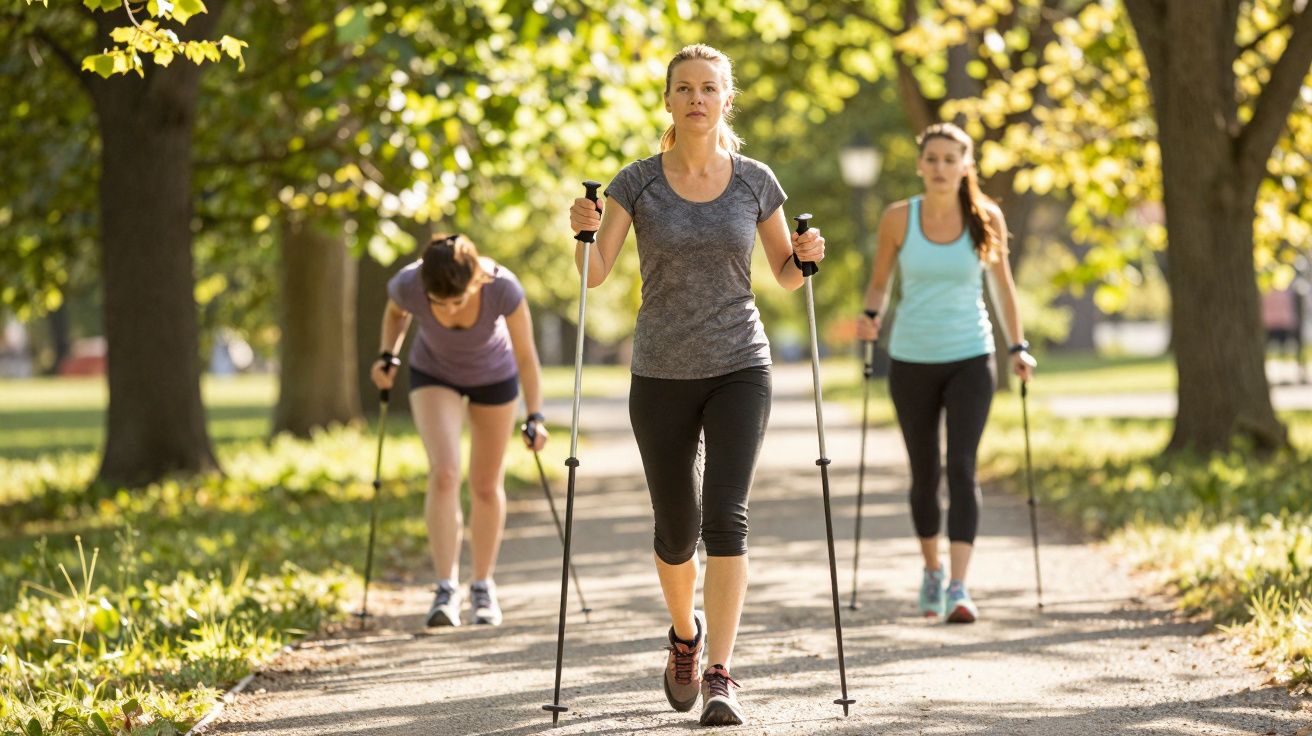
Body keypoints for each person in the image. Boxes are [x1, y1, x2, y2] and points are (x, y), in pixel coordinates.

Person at [567, 43, 823, 727]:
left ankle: (721, 673)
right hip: (660, 370)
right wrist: (583, 235)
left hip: (742, 363)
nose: (697, 99)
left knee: (725, 518)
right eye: (685, 88)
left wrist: (805, 256)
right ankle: (685, 634)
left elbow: (784, 275)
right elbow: (595, 277)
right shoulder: (636, 182)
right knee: (676, 530)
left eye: (709, 88)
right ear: (669, 100)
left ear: (725, 100)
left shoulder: (754, 180)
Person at [856, 122, 1032, 625]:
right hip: (910, 358)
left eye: (949, 159)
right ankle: (931, 570)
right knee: (924, 472)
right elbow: (879, 285)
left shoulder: (986, 218)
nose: (939, 167)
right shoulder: (898, 219)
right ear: (920, 164)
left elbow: (1003, 289)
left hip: (971, 357)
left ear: (965, 165)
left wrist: (1018, 346)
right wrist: (870, 319)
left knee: (962, 466)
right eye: (931, 158)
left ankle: (959, 586)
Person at [371, 233, 548, 628]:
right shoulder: (409, 283)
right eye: (440, 303)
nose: (449, 310)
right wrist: (388, 354)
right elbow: (396, 313)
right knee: (446, 471)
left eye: (459, 300)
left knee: (485, 484)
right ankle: (445, 587)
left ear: (476, 282)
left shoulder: (502, 286)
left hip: (495, 378)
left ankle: (482, 585)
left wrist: (534, 415)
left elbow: (526, 354)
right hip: (434, 374)